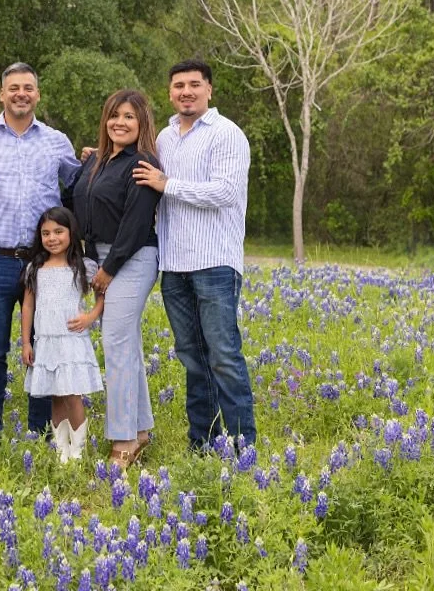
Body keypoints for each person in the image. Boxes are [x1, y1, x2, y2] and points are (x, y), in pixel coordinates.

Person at [133, 59, 257, 450]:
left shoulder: (226, 134)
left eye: (194, 84)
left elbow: (224, 192)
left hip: (215, 262)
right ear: (169, 92)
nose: (186, 91)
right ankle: (203, 441)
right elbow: (139, 174)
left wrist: (168, 184)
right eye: (178, 85)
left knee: (223, 355)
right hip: (174, 264)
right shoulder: (165, 138)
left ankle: (241, 445)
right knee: (192, 357)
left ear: (209, 90)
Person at [0, 62, 82, 441]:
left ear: (37, 94)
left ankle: (40, 433)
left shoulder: (56, 141)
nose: (21, 94)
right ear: (1, 94)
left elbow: (80, 187)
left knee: (46, 346)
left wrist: (102, 156)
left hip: (43, 264)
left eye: (28, 88)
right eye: (13, 88)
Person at [67, 88, 162, 469]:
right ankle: (139, 430)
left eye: (128, 117)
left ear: (141, 123)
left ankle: (123, 439)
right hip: (99, 256)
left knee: (117, 344)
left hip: (132, 257)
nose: (120, 122)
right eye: (114, 115)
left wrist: (108, 269)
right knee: (127, 344)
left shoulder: (142, 163)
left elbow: (137, 224)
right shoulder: (95, 162)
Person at [20, 207, 104, 462]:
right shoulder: (36, 267)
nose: (52, 238)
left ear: (71, 232)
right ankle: (61, 451)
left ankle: (78, 452)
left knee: (71, 394)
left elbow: (102, 294)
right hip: (45, 339)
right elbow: (28, 305)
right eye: (46, 233)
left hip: (70, 338)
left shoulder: (83, 266)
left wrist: (91, 316)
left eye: (58, 231)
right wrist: (25, 341)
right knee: (56, 394)